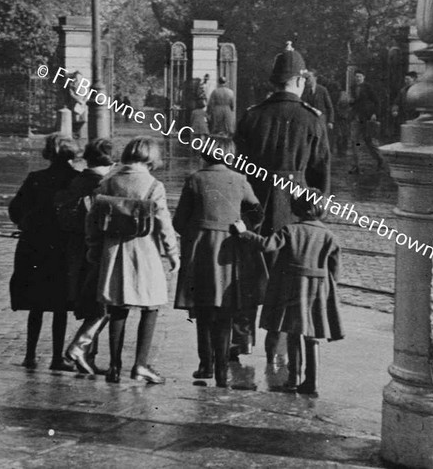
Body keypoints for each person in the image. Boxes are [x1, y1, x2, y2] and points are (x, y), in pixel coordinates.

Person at [235, 41, 331, 364]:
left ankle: (243, 337)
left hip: (255, 200)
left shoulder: (251, 116)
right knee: (288, 275)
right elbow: (321, 171)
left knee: (248, 269)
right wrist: (316, 212)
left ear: (273, 81)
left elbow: (239, 168)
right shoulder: (312, 119)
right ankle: (279, 347)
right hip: (296, 204)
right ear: (300, 81)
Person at [86, 137, 180, 384]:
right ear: (151, 158)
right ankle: (140, 365)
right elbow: (163, 223)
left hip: (113, 252)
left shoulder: (108, 182)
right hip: (145, 251)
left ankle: (114, 366)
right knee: (151, 305)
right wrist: (172, 253)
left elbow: (92, 220)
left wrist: (94, 247)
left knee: (117, 306)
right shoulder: (153, 185)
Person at [232, 189, 344, 396]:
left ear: (297, 208)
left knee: (293, 333)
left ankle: (293, 379)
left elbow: (266, 246)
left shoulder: (290, 230)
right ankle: (312, 381)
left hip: (292, 288)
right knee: (312, 336)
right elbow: (335, 271)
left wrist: (244, 233)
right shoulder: (330, 236)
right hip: (318, 290)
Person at [173, 136, 265, 387]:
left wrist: (196, 230)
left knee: (203, 309)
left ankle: (205, 364)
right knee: (225, 310)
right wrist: (241, 226)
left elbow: (178, 222)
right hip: (229, 251)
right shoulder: (240, 180)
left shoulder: (194, 180)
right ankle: (223, 369)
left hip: (200, 251)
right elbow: (257, 212)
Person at [8, 133, 80, 371]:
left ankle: (30, 354)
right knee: (60, 306)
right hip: (63, 247)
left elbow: (15, 209)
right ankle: (57, 357)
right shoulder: (77, 180)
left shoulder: (35, 178)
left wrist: (25, 224)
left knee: (36, 304)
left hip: (35, 247)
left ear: (48, 153)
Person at [59, 138, 115, 375]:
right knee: (103, 304)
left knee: (94, 303)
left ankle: (85, 354)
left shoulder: (78, 180)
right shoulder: (103, 183)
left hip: (75, 248)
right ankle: (82, 351)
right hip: (96, 250)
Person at [349, 69, 385, 173]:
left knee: (369, 142)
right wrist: (351, 103)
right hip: (356, 117)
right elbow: (355, 102)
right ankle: (356, 166)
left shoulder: (368, 87)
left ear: (364, 77)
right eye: (356, 76)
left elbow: (377, 101)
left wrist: (375, 114)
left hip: (367, 118)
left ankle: (380, 161)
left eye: (360, 76)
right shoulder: (352, 87)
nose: (358, 78)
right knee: (354, 141)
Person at [66, 71, 88, 138]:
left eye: (79, 76)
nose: (78, 78)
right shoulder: (72, 84)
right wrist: (78, 100)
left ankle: (81, 132)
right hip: (75, 102)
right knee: (76, 119)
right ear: (75, 77)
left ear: (81, 76)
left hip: (83, 103)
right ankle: (76, 133)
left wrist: (84, 101)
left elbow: (87, 94)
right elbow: (71, 94)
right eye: (76, 76)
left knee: (83, 119)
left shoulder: (85, 84)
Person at [334, 90, 351, 157]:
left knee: (344, 136)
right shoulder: (339, 102)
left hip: (345, 119)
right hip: (340, 119)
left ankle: (343, 151)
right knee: (340, 136)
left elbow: (349, 109)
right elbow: (337, 107)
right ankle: (341, 151)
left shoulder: (347, 102)